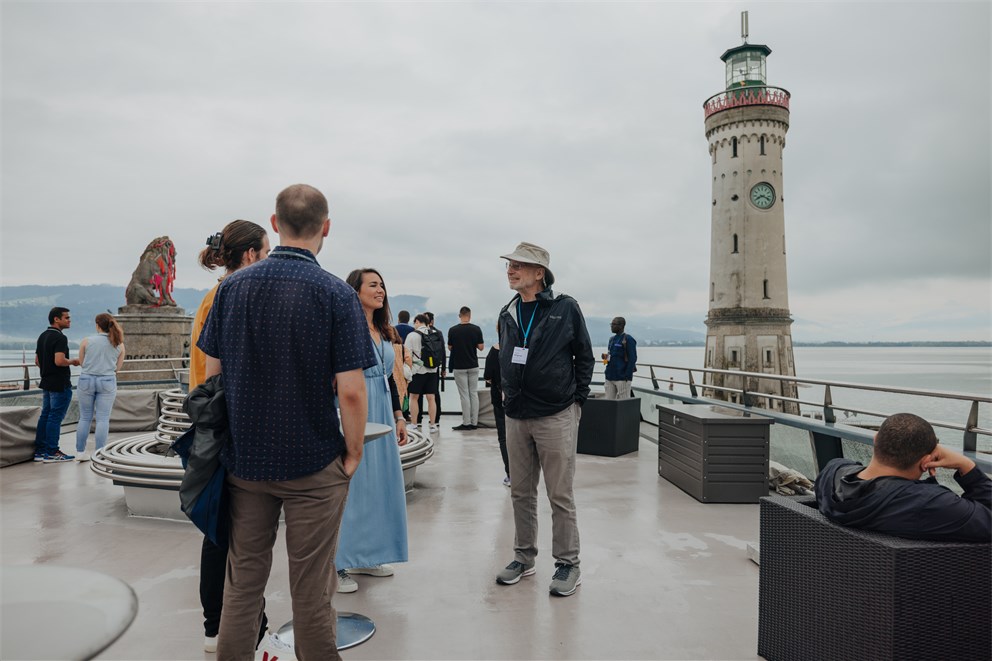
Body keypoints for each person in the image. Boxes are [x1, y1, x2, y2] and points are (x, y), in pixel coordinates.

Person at [197, 184, 374, 661]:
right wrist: (353, 452)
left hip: (245, 463)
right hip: (313, 463)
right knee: (312, 588)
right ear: (326, 228)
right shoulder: (336, 293)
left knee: (243, 582)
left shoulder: (230, 289)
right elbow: (352, 390)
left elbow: (213, 381)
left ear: (274, 224)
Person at [188, 219, 270, 654]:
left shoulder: (213, 296)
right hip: (227, 425)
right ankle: (225, 624)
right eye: (266, 250)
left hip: (211, 421)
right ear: (252, 255)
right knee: (230, 533)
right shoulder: (232, 296)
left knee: (222, 529)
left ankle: (220, 624)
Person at [495, 242, 594, 597]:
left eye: (519, 265)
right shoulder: (508, 313)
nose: (510, 269)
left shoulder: (565, 308)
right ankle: (524, 557)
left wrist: (576, 402)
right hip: (517, 415)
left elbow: (584, 356)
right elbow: (508, 356)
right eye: (509, 264)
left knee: (559, 494)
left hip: (556, 414)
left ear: (540, 273)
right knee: (520, 492)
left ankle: (569, 564)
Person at [335, 268, 410, 594]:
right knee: (354, 488)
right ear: (356, 290)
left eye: (382, 285)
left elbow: (387, 379)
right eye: (373, 285)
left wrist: (399, 416)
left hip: (381, 407)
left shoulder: (382, 329)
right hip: (355, 410)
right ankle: (338, 563)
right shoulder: (344, 328)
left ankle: (368, 556)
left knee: (379, 487)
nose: (380, 290)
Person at [815, 412, 991, 543]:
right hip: (915, 587)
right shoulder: (926, 504)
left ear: (876, 440)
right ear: (926, 462)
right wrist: (966, 466)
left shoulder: (832, 473)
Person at [73, 313, 126, 462]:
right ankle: (100, 454)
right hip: (107, 381)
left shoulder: (86, 341)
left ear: (97, 325)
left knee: (84, 418)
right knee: (103, 419)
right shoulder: (119, 344)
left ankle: (80, 452)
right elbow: (118, 368)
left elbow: (82, 363)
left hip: (86, 380)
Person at [34, 307, 80, 463]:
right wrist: (73, 361)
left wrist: (48, 371)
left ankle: (40, 451)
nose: (69, 320)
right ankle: (53, 451)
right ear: (56, 319)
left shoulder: (42, 336)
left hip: (46, 382)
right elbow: (59, 361)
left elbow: (37, 361)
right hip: (60, 384)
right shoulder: (60, 338)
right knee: (55, 418)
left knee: (45, 415)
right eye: (66, 318)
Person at [448, 306, 485, 430]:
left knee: (464, 395)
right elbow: (481, 347)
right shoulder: (476, 329)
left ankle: (466, 422)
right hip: (473, 365)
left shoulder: (453, 330)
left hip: (459, 366)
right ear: (470, 315)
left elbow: (450, 347)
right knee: (473, 393)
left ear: (460, 315)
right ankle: (474, 422)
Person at [483, 321, 509, 487]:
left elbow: (487, 376)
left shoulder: (494, 351)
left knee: (504, 436)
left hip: (500, 398)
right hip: (521, 399)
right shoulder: (521, 348)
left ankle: (510, 473)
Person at [405, 314, 439, 432]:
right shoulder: (435, 333)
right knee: (431, 397)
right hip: (433, 370)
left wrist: (408, 371)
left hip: (417, 371)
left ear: (418, 321)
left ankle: (414, 424)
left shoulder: (412, 335)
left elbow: (407, 356)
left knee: (414, 397)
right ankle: (433, 425)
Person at [603, 317, 637, 400]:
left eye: (614, 324)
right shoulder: (611, 339)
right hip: (609, 376)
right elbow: (610, 355)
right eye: (611, 324)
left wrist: (627, 377)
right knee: (608, 402)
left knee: (624, 402)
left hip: (622, 378)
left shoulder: (628, 339)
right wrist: (605, 357)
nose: (611, 326)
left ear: (621, 326)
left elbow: (632, 359)